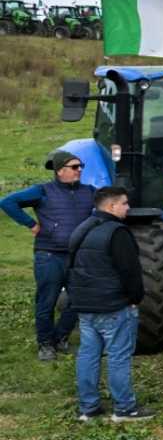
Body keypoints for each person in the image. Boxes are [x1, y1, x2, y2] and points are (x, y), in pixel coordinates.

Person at [68, 186, 154, 423]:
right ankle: (125, 408)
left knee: (88, 354)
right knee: (118, 357)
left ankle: (88, 408)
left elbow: (72, 264)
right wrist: (135, 299)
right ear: (111, 206)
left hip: (85, 305)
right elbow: (130, 272)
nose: (128, 207)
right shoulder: (117, 233)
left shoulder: (82, 228)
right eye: (125, 203)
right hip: (113, 306)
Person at [0, 149, 95, 360]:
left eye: (81, 167)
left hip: (77, 256)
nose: (79, 170)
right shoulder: (42, 191)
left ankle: (60, 339)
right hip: (49, 256)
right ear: (60, 171)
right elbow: (7, 202)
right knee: (47, 301)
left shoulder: (89, 191)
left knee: (77, 300)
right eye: (74, 167)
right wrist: (31, 224)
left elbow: (106, 208)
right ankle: (45, 345)